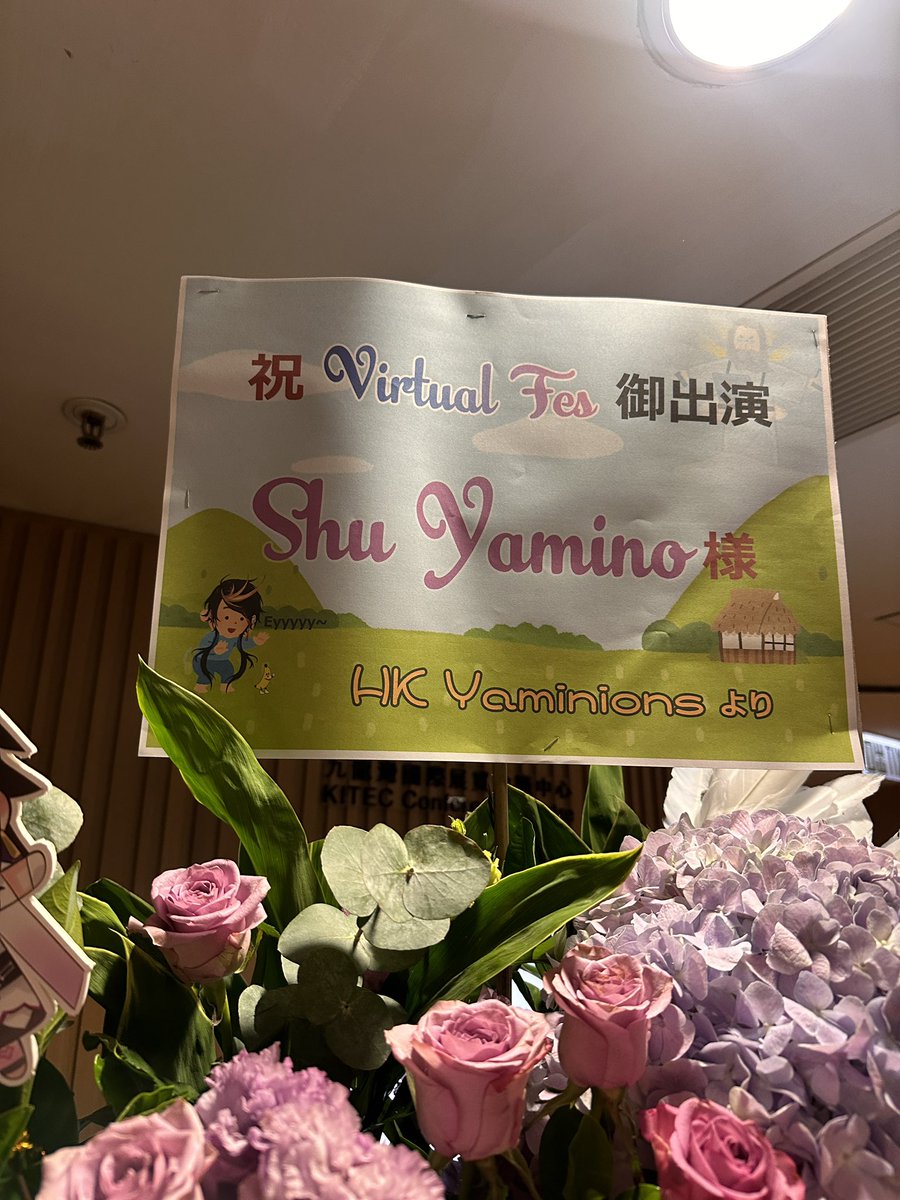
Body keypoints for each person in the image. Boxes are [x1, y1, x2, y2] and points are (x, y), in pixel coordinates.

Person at [192, 578, 269, 693]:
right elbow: (202, 647)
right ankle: (201, 685)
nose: (234, 623)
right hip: (203, 660)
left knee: (228, 670)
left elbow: (243, 644)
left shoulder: (235, 638)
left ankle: (225, 686)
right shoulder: (212, 636)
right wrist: (215, 650)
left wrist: (255, 641)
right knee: (205, 674)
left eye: (241, 619)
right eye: (227, 617)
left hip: (222, 661)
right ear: (212, 615)